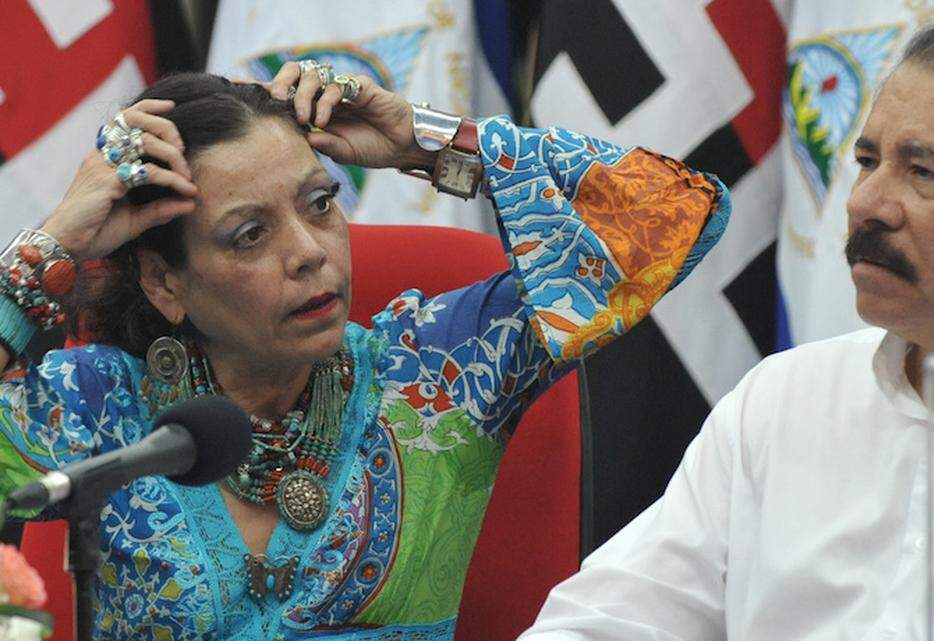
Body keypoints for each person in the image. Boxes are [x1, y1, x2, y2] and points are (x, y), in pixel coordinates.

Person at [0, 60, 730, 640]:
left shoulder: (439, 374)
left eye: (320, 204)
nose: (309, 252)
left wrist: (432, 140)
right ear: (166, 282)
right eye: (249, 234)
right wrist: (55, 240)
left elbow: (681, 212)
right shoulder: (97, 408)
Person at [520, 20, 934, 641]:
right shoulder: (784, 397)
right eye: (868, 161)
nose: (866, 202)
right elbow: (610, 618)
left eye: (924, 172)